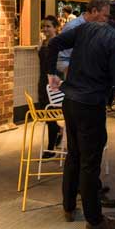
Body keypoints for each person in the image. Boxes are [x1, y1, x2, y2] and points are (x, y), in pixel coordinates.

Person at [46, 0, 115, 229]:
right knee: (90, 162)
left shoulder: (86, 28)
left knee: (73, 155)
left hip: (70, 101)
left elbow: (53, 43)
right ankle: (94, 219)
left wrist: (51, 73)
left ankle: (68, 207)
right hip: (90, 104)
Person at [56, 0, 111, 76]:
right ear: (94, 11)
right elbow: (62, 60)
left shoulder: (97, 27)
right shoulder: (73, 27)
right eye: (105, 16)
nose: (107, 20)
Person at [38, 15, 62, 158]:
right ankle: (59, 132)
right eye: (43, 26)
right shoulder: (44, 42)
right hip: (42, 80)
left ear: (56, 28)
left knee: (51, 114)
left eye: (48, 26)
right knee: (46, 113)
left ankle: (51, 148)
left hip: (53, 81)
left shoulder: (58, 43)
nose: (45, 29)